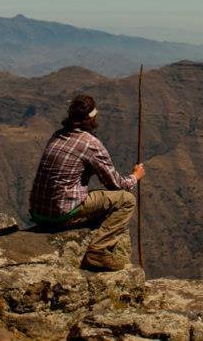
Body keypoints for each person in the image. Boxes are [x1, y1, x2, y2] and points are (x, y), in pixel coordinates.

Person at [29, 94, 145, 271]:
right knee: (127, 200)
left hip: (38, 213)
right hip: (61, 214)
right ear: (91, 118)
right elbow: (115, 184)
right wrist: (135, 176)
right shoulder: (91, 144)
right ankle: (97, 251)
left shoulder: (57, 135)